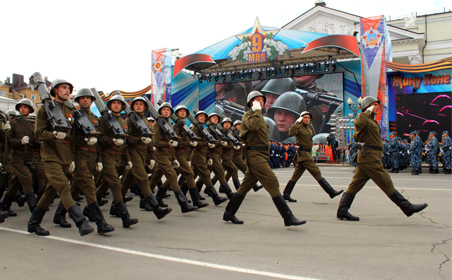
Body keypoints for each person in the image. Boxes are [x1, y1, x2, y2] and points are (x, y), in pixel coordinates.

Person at [336, 96, 428, 221]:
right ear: (367, 107)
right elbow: (358, 123)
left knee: (355, 185)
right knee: (386, 182)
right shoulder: (363, 119)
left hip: (369, 157)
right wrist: (367, 111)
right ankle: (407, 207)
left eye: (377, 105)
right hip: (369, 158)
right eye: (375, 105)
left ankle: (342, 210)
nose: (377, 107)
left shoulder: (371, 122)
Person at [222, 90, 306, 227]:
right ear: (251, 102)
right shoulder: (248, 116)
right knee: (272, 181)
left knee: (244, 187)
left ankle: (229, 213)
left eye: (262, 100)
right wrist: (255, 111)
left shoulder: (259, 116)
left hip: (261, 155)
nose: (260, 102)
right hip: (255, 156)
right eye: (257, 100)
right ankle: (288, 217)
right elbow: (253, 127)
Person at [28, 79, 94, 236]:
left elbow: (71, 138)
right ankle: (81, 222)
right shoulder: (44, 110)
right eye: (64, 88)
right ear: (55, 90)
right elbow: (38, 135)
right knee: (64, 186)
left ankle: (33, 223)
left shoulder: (69, 111)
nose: (67, 91)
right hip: (51, 157)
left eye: (69, 89)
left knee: (50, 191)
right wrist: (53, 135)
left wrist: (71, 159)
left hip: (65, 157)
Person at [52, 88, 114, 234]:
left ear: (92, 101)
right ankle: (101, 222)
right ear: (78, 101)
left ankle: (59, 215)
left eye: (88, 98)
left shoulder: (94, 119)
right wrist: (71, 158)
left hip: (91, 156)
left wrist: (98, 159)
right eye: (82, 98)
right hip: (79, 155)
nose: (85, 100)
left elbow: (98, 140)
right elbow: (71, 138)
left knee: (75, 188)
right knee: (88, 186)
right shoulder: (74, 116)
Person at [95, 94, 139, 227]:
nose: (116, 105)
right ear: (109, 106)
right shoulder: (103, 120)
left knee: (106, 184)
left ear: (122, 106)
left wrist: (127, 159)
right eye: (113, 103)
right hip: (107, 155)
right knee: (115, 184)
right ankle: (125, 217)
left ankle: (89, 209)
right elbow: (99, 139)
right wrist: (110, 142)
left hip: (118, 157)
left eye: (118, 103)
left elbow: (124, 143)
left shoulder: (123, 122)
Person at [283, 111, 343, 203]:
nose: (307, 119)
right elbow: (291, 132)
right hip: (304, 155)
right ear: (301, 119)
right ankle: (331, 191)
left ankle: (286, 194)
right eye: (305, 117)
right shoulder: (298, 128)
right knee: (316, 172)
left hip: (306, 154)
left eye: (308, 118)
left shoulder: (308, 129)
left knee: (295, 176)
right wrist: (297, 122)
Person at [156, 105, 208, 210]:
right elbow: (176, 143)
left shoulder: (183, 125)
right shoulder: (175, 126)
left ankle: (158, 197)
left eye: (184, 111)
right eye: (180, 111)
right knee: (188, 174)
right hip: (177, 153)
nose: (183, 113)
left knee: (172, 176)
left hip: (183, 153)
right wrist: (175, 157)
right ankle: (195, 200)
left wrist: (189, 153)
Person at [151, 102, 197, 213]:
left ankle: (151, 198)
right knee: (172, 176)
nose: (166, 111)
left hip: (169, 154)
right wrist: (169, 144)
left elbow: (172, 143)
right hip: (161, 154)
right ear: (160, 112)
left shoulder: (168, 124)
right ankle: (183, 204)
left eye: (168, 110)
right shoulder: (158, 124)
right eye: (164, 110)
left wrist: (173, 158)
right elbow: (156, 142)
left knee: (156, 177)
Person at [3, 99, 41, 215]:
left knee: (15, 182)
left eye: (25, 107)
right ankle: (34, 209)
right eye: (21, 107)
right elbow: (8, 140)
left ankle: (5, 205)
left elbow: (36, 142)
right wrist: (20, 142)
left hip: (29, 157)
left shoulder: (33, 124)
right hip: (17, 157)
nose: (23, 109)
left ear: (30, 109)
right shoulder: (14, 122)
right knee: (27, 179)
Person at [190, 110, 228, 206]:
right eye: (200, 116)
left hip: (204, 155)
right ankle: (215, 197)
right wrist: (210, 144)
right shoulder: (195, 128)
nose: (202, 117)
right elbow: (194, 143)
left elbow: (207, 146)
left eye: (203, 116)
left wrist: (208, 157)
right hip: (197, 155)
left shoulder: (203, 128)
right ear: (196, 118)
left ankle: (186, 195)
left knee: (192, 177)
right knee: (206, 175)